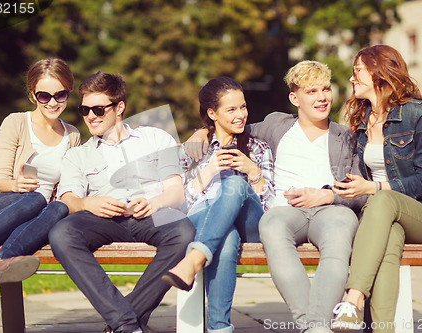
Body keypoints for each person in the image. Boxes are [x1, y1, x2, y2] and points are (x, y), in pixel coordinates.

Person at [185, 61, 367, 333]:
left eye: (326, 89)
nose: (322, 97)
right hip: (284, 212)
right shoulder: (275, 125)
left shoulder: (345, 136)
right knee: (271, 225)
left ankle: (314, 326)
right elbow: (232, 124)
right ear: (294, 98)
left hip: (330, 210)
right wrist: (203, 130)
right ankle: (315, 326)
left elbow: (359, 192)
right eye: (312, 91)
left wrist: (327, 196)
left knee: (338, 240)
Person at [48, 71, 195, 333]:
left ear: (119, 107)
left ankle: (122, 322)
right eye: (84, 109)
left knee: (183, 232)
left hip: (149, 214)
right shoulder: (77, 155)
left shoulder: (156, 138)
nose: (90, 116)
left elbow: (176, 191)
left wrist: (157, 203)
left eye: (98, 109)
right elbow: (68, 198)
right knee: (61, 233)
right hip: (101, 219)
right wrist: (86, 204)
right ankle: (128, 324)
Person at [331, 45, 422, 332]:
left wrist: (375, 187)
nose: (351, 78)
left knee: (383, 199)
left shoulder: (420, 114)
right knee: (389, 242)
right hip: (385, 217)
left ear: (378, 72)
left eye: (357, 71)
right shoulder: (362, 120)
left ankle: (353, 298)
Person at [161, 77, 274, 333]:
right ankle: (219, 328)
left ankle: (194, 258)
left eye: (243, 107)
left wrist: (253, 173)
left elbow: (270, 207)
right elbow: (179, 205)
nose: (241, 115)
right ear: (212, 113)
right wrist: (209, 171)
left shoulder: (257, 147)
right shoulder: (191, 150)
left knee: (234, 185)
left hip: (251, 222)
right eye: (231, 109)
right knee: (226, 236)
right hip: (202, 217)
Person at [0, 58, 81, 287]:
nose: (53, 102)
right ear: (33, 95)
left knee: (59, 207)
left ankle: (0, 264)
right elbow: (0, 178)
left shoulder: (72, 135)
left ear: (68, 93)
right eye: (44, 96)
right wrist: (15, 185)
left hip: (33, 217)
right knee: (35, 198)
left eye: (60, 95)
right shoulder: (16, 123)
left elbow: (68, 188)